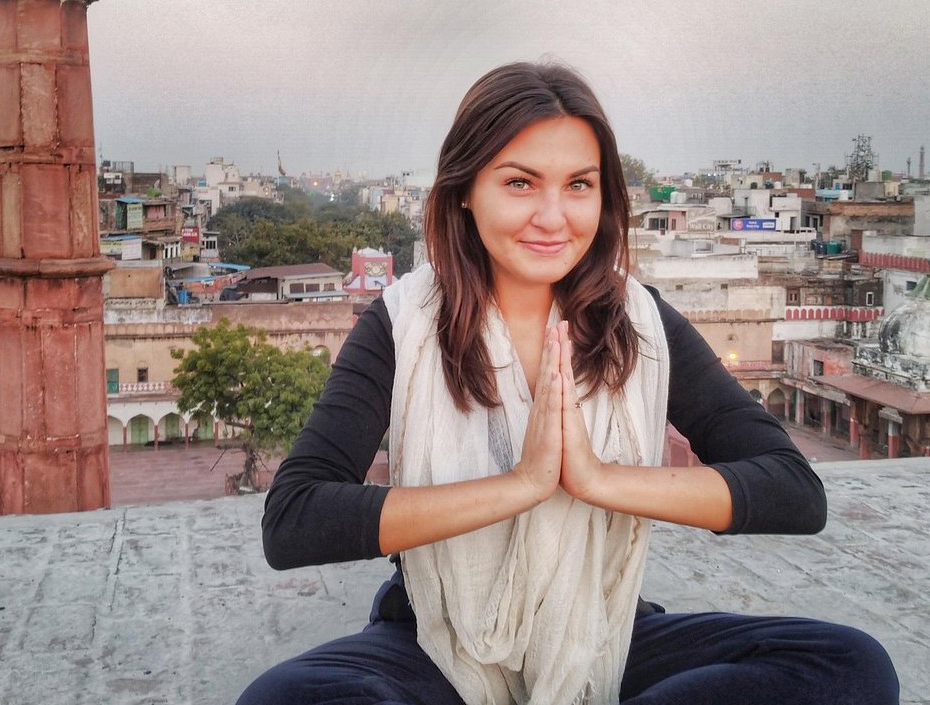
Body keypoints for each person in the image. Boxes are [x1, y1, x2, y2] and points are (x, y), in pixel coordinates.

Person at [238, 61, 898, 705]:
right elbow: (295, 519)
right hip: (436, 637)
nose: (553, 217)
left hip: (599, 629)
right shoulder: (403, 326)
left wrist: (595, 479)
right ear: (465, 190)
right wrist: (522, 485)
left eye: (579, 184)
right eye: (520, 183)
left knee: (846, 666)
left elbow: (792, 491)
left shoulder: (636, 322)